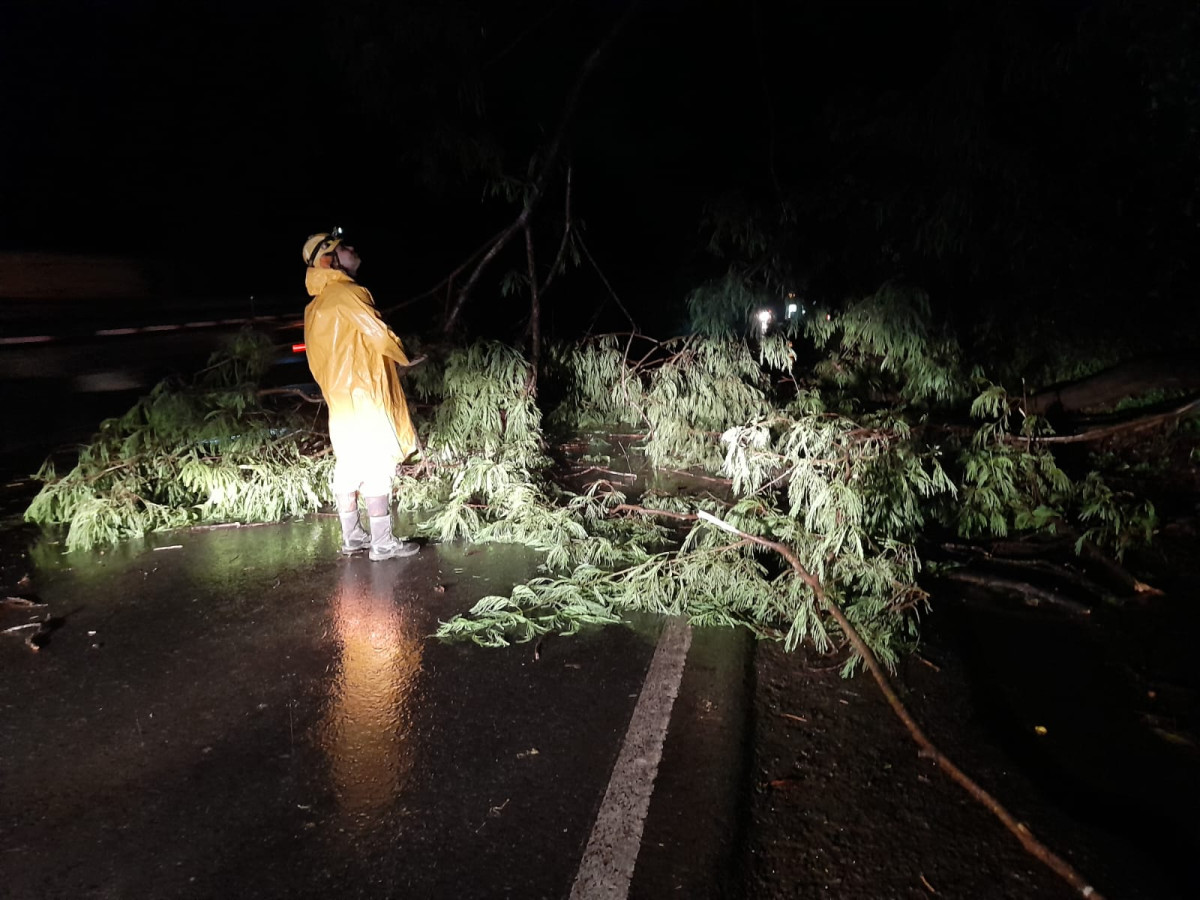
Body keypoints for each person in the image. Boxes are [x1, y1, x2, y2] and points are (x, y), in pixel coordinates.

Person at [302, 228, 420, 560]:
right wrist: (405, 355)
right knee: (378, 463)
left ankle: (352, 536)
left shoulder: (314, 308)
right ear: (331, 261)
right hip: (366, 391)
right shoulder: (349, 294)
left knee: (349, 464)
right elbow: (378, 334)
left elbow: (315, 360)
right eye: (344, 248)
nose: (353, 249)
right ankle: (382, 543)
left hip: (339, 399)